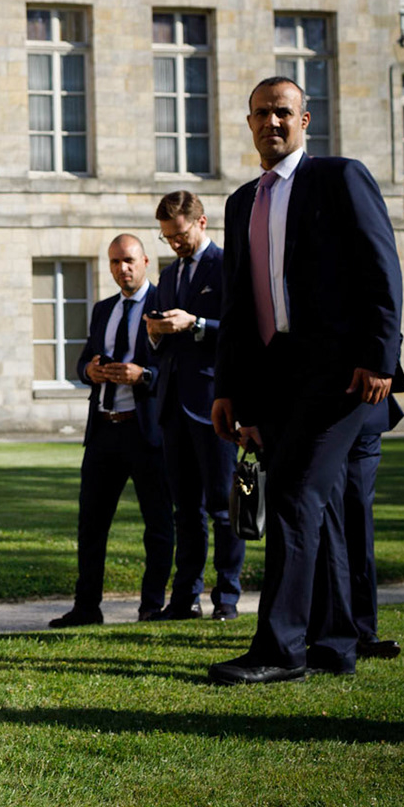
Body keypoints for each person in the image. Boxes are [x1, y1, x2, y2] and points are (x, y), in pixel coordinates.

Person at [210, 77, 404, 686]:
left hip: (345, 376)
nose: (272, 123)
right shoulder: (242, 201)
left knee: (295, 497)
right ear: (248, 123)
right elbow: (241, 307)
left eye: (283, 113)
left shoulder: (339, 178)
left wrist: (379, 356)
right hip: (278, 378)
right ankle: (333, 644)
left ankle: (279, 650)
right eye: (261, 114)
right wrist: (229, 389)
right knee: (318, 508)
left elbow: (382, 269)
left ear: (305, 120)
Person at [49, 235, 174, 628]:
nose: (123, 268)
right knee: (91, 524)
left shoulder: (164, 308)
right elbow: (85, 358)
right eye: (116, 262)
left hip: (146, 432)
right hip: (103, 430)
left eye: (130, 260)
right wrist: (89, 371)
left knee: (158, 524)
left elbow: (175, 369)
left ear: (146, 261)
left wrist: (145, 375)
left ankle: (151, 605)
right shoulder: (104, 309)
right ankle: (87, 607)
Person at [146, 192, 242, 621]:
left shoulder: (226, 266)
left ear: (201, 223)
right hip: (172, 404)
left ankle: (228, 598)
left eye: (179, 235)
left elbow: (243, 332)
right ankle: (185, 598)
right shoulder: (169, 276)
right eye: (167, 239)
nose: (175, 244)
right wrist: (156, 332)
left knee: (223, 508)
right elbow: (161, 344)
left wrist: (197, 325)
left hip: (213, 401)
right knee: (186, 510)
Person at [318, 395, 404, 659]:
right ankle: (324, 628)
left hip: (366, 410)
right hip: (317, 413)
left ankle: (364, 631)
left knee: (360, 519)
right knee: (323, 523)